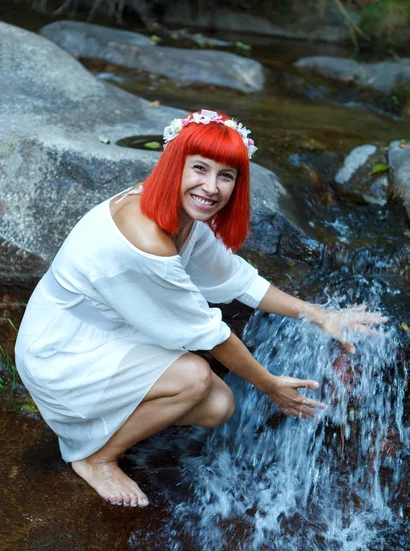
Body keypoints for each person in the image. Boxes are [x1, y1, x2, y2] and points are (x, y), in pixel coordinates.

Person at [15, 109, 385, 508]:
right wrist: (270, 386)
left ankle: (104, 421)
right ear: (175, 165)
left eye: (226, 176)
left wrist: (321, 314)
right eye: (200, 169)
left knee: (218, 405)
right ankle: (94, 457)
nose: (211, 187)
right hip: (60, 349)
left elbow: (239, 280)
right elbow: (211, 334)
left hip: (109, 333)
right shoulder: (146, 237)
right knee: (193, 376)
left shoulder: (181, 216)